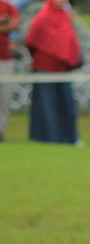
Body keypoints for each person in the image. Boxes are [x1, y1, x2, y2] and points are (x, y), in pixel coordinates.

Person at [25, 0, 81, 145]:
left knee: (67, 104)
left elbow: (70, 39)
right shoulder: (43, 17)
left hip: (63, 69)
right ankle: (50, 138)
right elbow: (32, 40)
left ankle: (69, 138)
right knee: (46, 106)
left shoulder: (66, 16)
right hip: (44, 68)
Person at [0, 0, 19, 142]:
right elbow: (9, 24)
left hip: (5, 58)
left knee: (4, 98)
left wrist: (6, 23)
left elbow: (15, 24)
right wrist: (3, 24)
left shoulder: (8, 6)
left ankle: (0, 131)